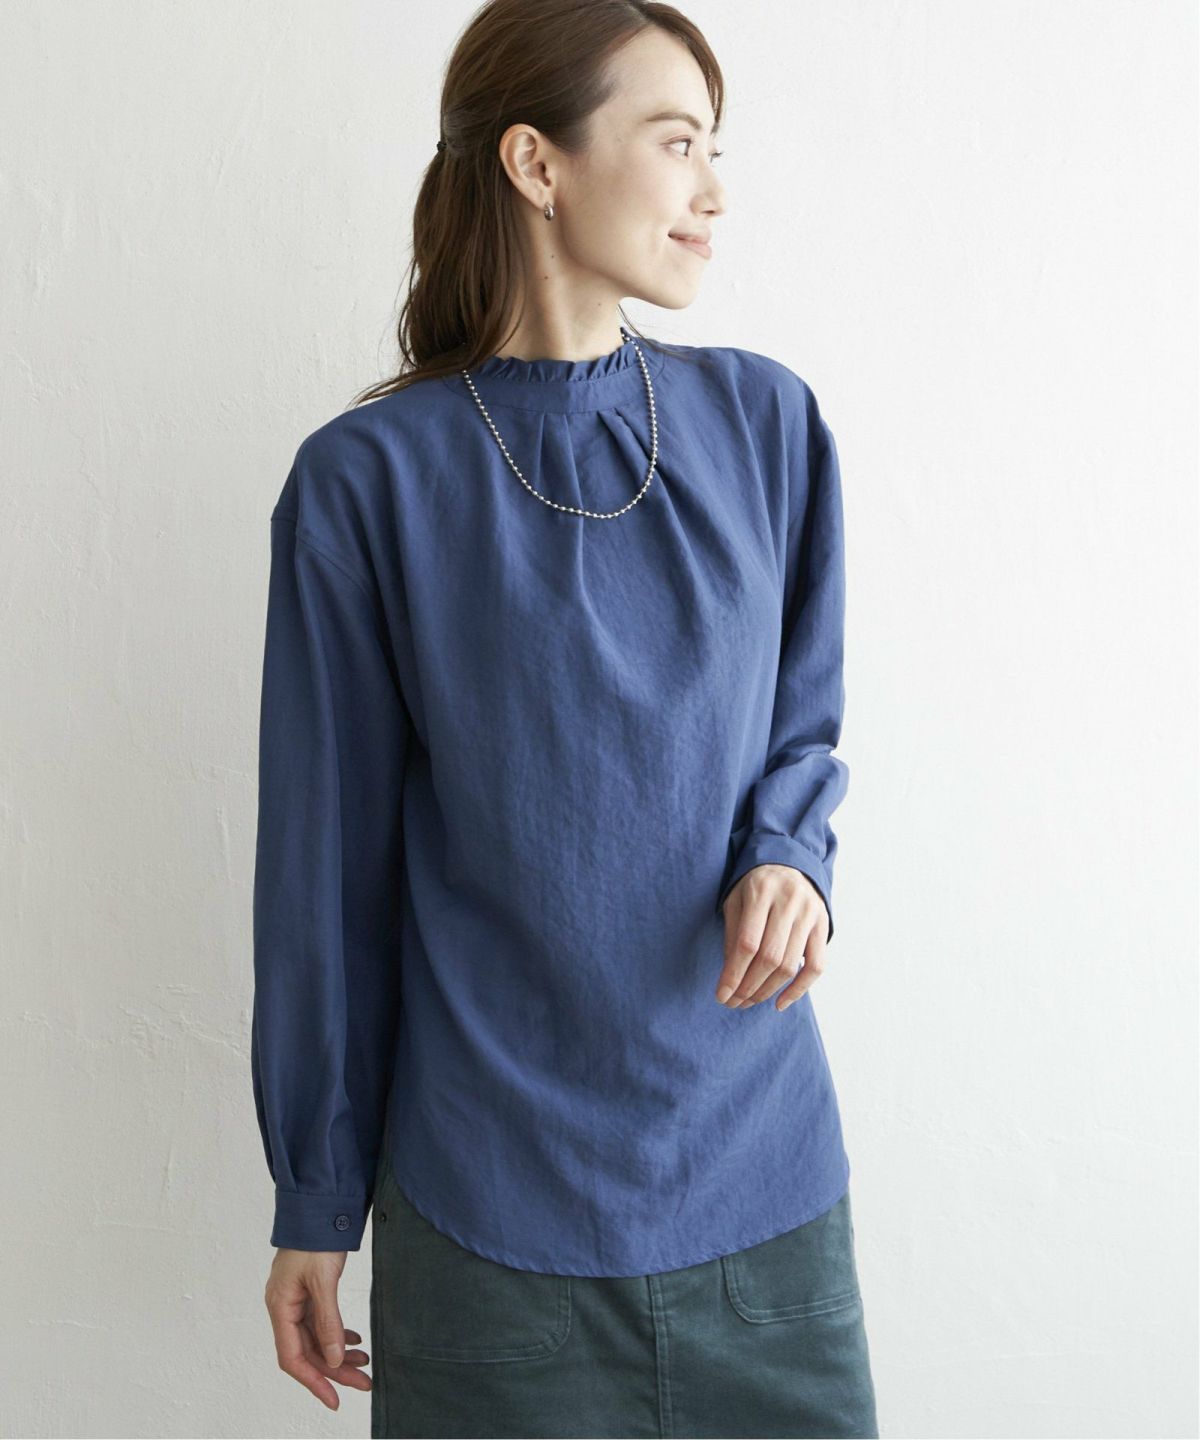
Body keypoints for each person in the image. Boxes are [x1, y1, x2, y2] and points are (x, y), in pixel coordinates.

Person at [250, 2, 879, 1436]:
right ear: (537, 163)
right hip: (486, 1228)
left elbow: (804, 727)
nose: (713, 191)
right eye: (676, 143)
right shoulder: (366, 484)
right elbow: (324, 876)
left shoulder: (768, 426)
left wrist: (792, 855)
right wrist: (314, 1196)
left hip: (764, 1198)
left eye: (715, 149)